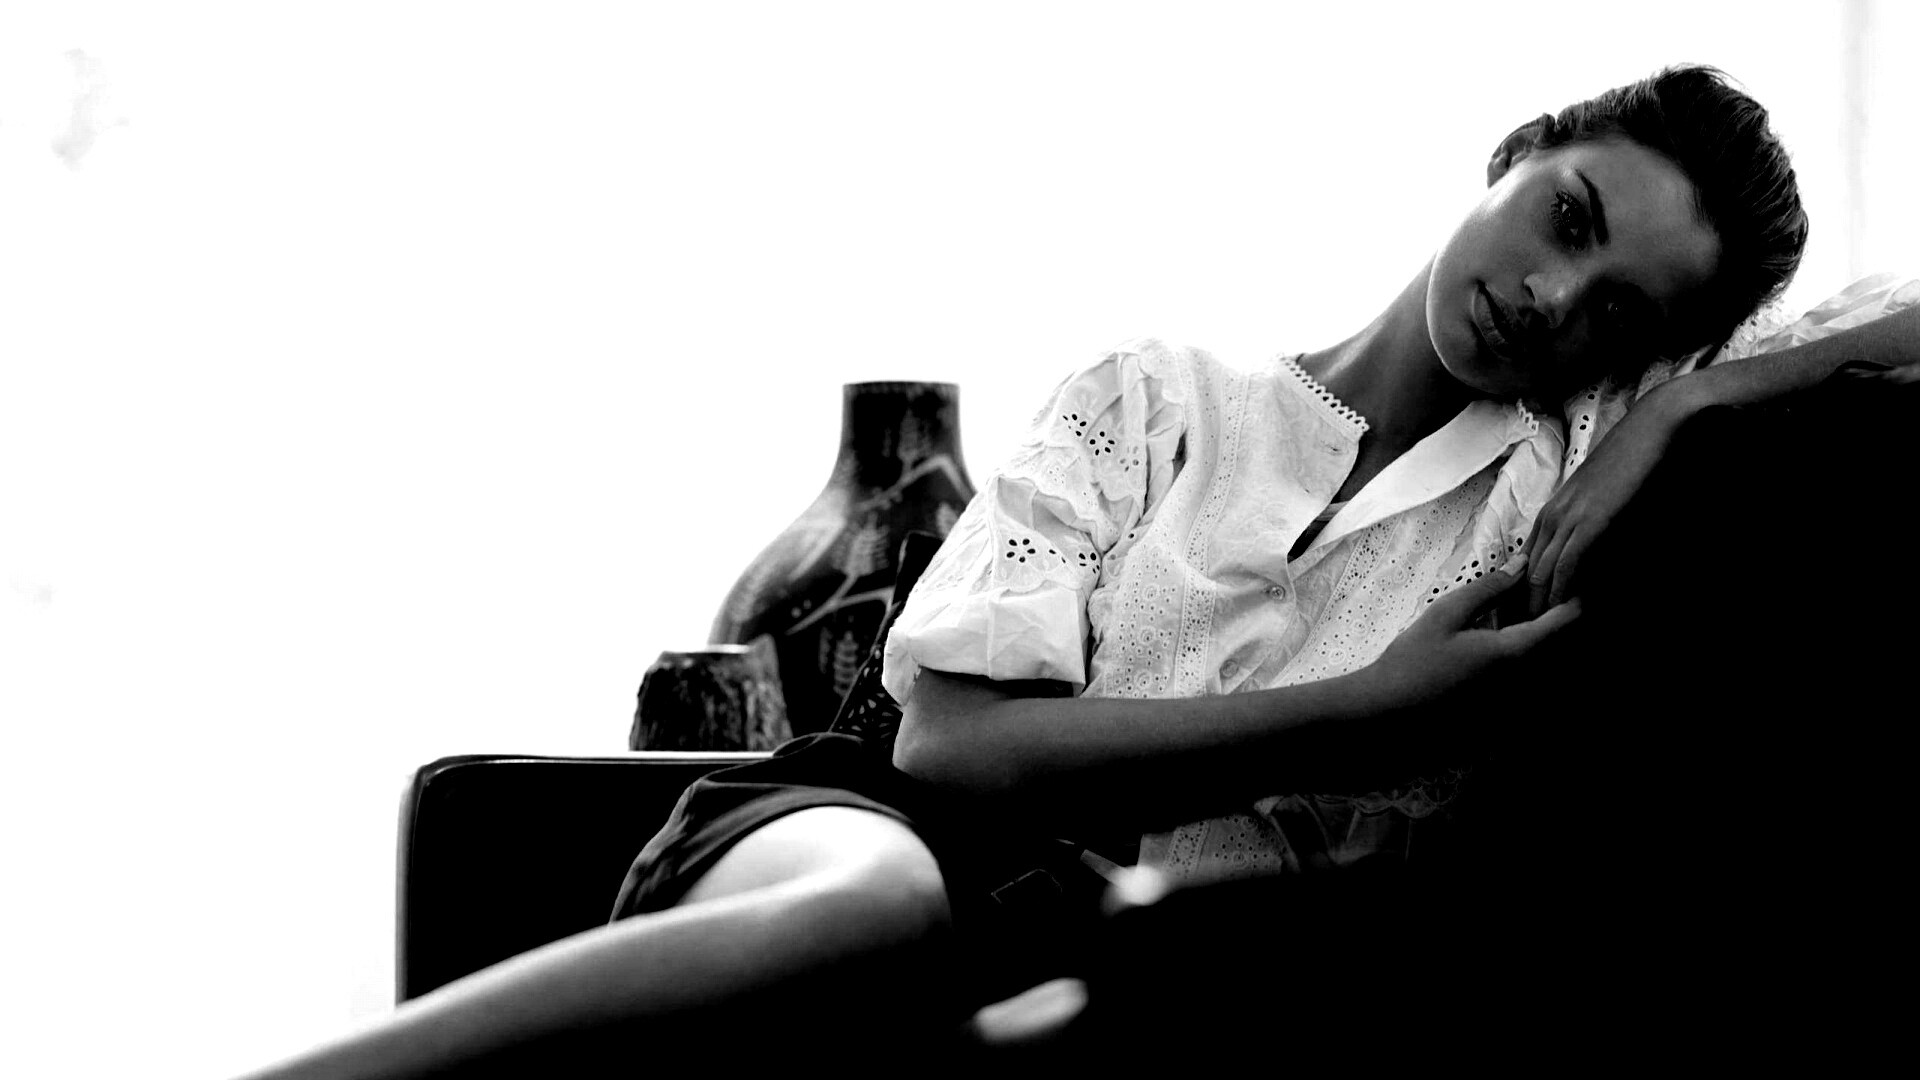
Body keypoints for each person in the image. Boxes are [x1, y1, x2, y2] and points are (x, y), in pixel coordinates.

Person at [237, 65, 1920, 1077]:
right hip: (887, 828)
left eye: (1620, 311)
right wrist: (1373, 712)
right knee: (874, 910)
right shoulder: (1156, 396)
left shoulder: (1553, 490)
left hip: (1136, 954)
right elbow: (955, 743)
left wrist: (1696, 400)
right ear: (1513, 158)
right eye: (1568, 218)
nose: (1556, 297)